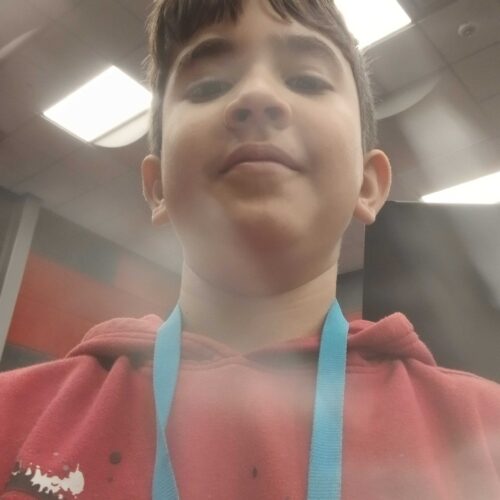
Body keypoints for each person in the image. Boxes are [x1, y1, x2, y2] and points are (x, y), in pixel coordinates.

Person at [1, 0, 499, 498]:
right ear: (158, 188)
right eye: (208, 86)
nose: (257, 95)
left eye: (306, 80)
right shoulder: (14, 416)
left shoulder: (485, 431)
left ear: (367, 184)